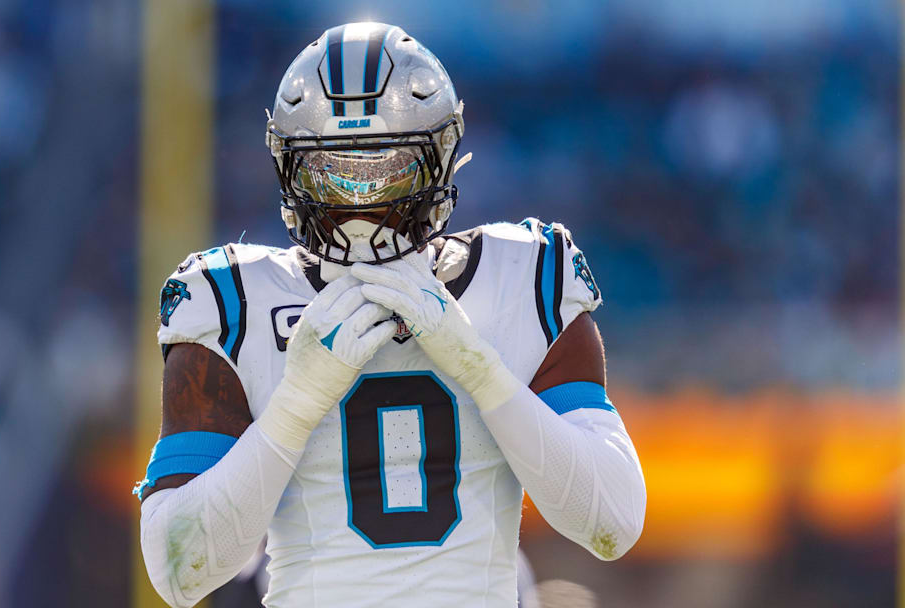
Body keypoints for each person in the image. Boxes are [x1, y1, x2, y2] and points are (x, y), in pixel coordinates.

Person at [135, 22, 646, 608]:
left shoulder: (525, 274)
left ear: (441, 158)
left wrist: (478, 366)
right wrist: (295, 406)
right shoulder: (232, 299)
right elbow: (179, 572)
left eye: (385, 169)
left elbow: (613, 520)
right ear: (288, 167)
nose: (363, 203)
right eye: (336, 172)